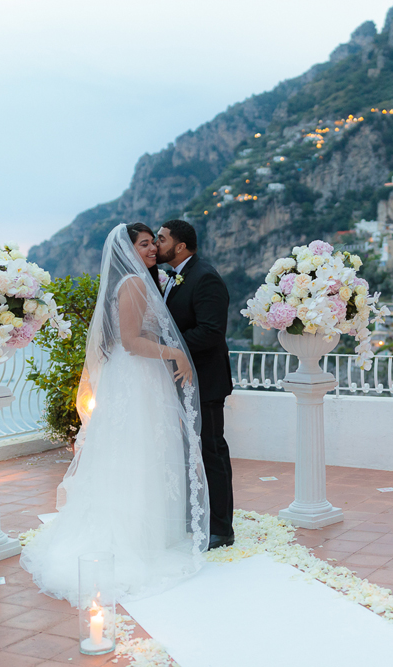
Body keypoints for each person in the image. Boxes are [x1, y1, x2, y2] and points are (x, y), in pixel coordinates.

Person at [20, 222, 209, 606]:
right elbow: (133, 342)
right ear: (128, 250)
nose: (152, 250)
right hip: (137, 377)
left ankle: (143, 530)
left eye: (153, 244)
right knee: (140, 452)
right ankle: (136, 538)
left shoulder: (129, 282)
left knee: (131, 453)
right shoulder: (135, 284)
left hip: (132, 378)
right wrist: (176, 353)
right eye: (144, 245)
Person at [155, 220, 235, 550]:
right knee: (190, 453)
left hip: (206, 382)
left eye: (161, 239)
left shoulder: (205, 278)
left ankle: (221, 529)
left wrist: (167, 345)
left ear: (181, 247)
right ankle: (197, 515)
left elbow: (211, 331)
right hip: (183, 380)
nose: (157, 244)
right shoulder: (174, 277)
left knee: (212, 452)